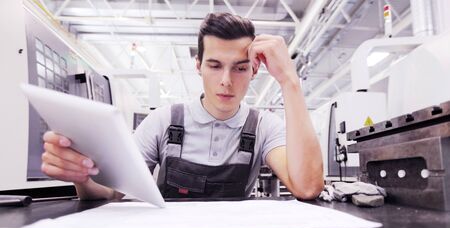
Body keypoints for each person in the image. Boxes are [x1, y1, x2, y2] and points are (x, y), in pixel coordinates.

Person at [41, 13, 324, 200]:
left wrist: (289, 80)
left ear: (254, 70)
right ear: (198, 65)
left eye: (239, 68)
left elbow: (308, 186)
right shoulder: (163, 121)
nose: (226, 81)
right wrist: (81, 177)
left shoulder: (264, 127)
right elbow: (113, 192)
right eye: (214, 66)